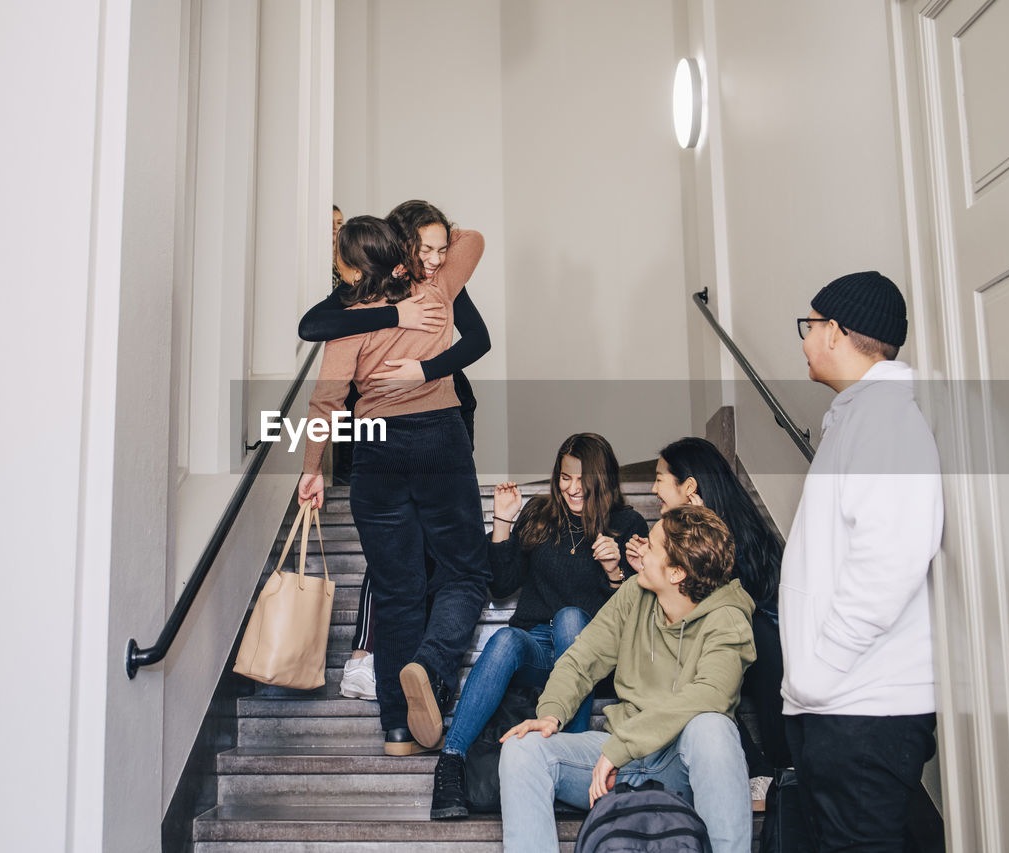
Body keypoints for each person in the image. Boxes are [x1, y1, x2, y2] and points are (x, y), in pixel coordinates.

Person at [297, 214, 491, 756]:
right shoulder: (435, 288)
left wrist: (312, 470)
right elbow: (474, 238)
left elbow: (326, 401)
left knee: (396, 589)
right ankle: (428, 668)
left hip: (374, 448)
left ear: (357, 268)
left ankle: (397, 731)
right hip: (438, 437)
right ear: (405, 249)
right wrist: (435, 241)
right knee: (465, 571)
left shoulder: (351, 317)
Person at [783, 271, 942, 851]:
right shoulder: (859, 419)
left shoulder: (885, 424)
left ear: (837, 333)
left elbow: (889, 564)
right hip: (841, 709)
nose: (804, 340)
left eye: (811, 326)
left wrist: (819, 674)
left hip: (863, 711)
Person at [499, 504, 756, 853]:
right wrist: (551, 712)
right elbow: (581, 658)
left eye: (651, 546)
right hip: (620, 756)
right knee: (521, 748)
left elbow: (710, 694)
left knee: (713, 727)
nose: (638, 550)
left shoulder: (728, 620)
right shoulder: (635, 593)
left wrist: (621, 749)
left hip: (678, 762)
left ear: (677, 573)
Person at [429, 433, 649, 820]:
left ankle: (569, 755)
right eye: (565, 478)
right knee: (506, 639)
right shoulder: (540, 513)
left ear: (603, 478)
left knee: (570, 619)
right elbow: (501, 585)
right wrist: (501, 520)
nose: (573, 488)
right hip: (536, 647)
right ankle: (450, 761)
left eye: (583, 479)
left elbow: (635, 614)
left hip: (591, 654)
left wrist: (616, 571)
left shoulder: (626, 523)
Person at [630, 436, 788, 809]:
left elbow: (743, 597)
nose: (653, 489)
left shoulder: (728, 528)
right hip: (707, 647)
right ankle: (759, 770)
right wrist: (649, 565)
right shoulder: (670, 535)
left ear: (689, 487)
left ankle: (780, 773)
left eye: (659, 479)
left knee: (744, 643)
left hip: (747, 641)